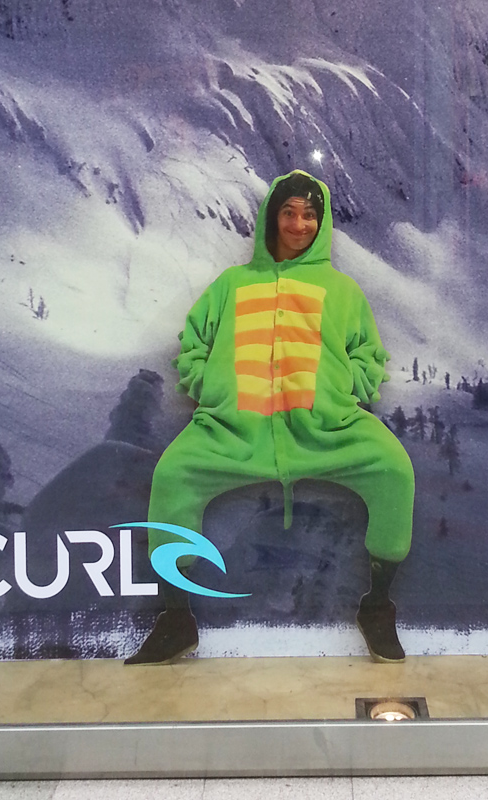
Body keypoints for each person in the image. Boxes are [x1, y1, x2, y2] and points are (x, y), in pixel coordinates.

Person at [125, 170, 416, 665]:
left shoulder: (342, 290)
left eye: (310, 215)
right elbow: (193, 343)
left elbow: (368, 353)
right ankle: (176, 619)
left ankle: (377, 606)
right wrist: (212, 389)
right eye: (289, 213)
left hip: (326, 430)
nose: (299, 224)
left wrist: (341, 391)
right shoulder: (231, 285)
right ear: (271, 218)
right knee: (173, 476)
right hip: (233, 431)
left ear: (321, 223)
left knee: (394, 470)